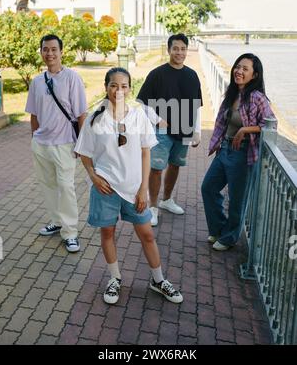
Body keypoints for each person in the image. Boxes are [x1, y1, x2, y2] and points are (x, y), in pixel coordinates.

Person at [75, 67, 183, 305]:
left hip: (134, 189)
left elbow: (146, 154)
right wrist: (93, 177)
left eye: (124, 86)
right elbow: (83, 152)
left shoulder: (138, 117)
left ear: (130, 89)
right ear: (106, 87)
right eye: (114, 85)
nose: (119, 90)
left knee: (147, 234)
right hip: (106, 189)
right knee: (108, 233)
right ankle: (114, 278)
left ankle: (158, 280)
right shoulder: (95, 118)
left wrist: (144, 188)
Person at [201, 53, 276, 251]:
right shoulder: (232, 93)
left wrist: (245, 129)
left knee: (237, 200)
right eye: (237, 67)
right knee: (208, 187)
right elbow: (222, 121)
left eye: (245, 69)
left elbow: (271, 125)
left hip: (243, 154)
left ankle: (229, 238)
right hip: (225, 149)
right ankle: (219, 229)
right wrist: (217, 142)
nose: (239, 71)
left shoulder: (257, 98)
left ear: (255, 75)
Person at [25, 34, 87, 253]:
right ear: (41, 52)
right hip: (41, 144)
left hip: (64, 144)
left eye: (53, 49)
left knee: (66, 187)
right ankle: (57, 221)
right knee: (48, 186)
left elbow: (81, 114)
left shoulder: (72, 78)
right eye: (45, 49)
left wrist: (81, 143)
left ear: (61, 52)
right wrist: (35, 138)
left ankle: (70, 232)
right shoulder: (36, 81)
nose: (49, 53)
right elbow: (33, 114)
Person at [137, 33, 203, 226]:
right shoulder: (157, 74)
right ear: (169, 50)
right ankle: (153, 207)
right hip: (162, 132)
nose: (179, 52)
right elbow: (143, 102)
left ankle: (167, 200)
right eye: (176, 48)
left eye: (183, 49)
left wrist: (197, 130)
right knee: (156, 169)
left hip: (185, 131)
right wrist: (157, 121)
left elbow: (197, 106)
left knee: (175, 165)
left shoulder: (192, 75)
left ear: (186, 50)